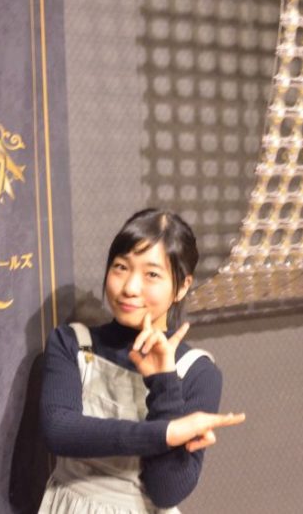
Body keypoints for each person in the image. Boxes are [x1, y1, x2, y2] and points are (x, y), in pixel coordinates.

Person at [38, 208, 245, 513]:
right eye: (121, 267)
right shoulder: (72, 342)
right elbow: (59, 431)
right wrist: (167, 434)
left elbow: (166, 491)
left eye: (152, 275)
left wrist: (164, 382)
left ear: (182, 286)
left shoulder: (198, 371)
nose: (130, 288)